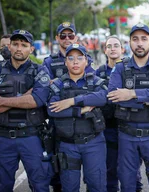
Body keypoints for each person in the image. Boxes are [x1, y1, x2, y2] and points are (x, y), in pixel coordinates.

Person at [0, 29, 53, 191]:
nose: (19, 48)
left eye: (24, 45)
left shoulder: (39, 71)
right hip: (3, 138)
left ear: (31, 49)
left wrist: (1, 100)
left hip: (32, 137)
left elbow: (37, 100)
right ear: (10, 47)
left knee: (40, 184)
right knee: (3, 185)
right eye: (15, 44)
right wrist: (25, 98)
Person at [107, 23, 149, 192]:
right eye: (135, 39)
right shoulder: (120, 67)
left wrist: (132, 94)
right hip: (127, 135)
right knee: (127, 183)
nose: (139, 43)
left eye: (144, 39)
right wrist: (148, 99)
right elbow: (114, 96)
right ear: (129, 43)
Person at [47, 43, 108, 192]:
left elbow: (103, 97)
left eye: (79, 58)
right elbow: (52, 110)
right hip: (68, 145)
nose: (75, 62)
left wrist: (72, 101)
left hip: (93, 142)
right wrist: (79, 111)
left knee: (97, 186)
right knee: (69, 187)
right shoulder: (58, 84)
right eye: (71, 58)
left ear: (86, 61)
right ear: (65, 62)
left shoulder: (96, 81)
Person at [43, 22, 94, 191]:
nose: (67, 38)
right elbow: (47, 89)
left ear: (76, 37)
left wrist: (69, 97)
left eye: (70, 35)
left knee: (92, 176)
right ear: (57, 38)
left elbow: (90, 86)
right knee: (59, 173)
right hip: (60, 128)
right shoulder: (49, 62)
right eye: (63, 35)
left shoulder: (87, 58)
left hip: (84, 126)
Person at [95, 35, 143, 192]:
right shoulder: (99, 73)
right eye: (109, 46)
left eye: (116, 45)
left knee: (132, 170)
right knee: (111, 168)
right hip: (109, 127)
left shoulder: (132, 69)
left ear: (123, 49)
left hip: (130, 124)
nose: (112, 48)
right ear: (105, 50)